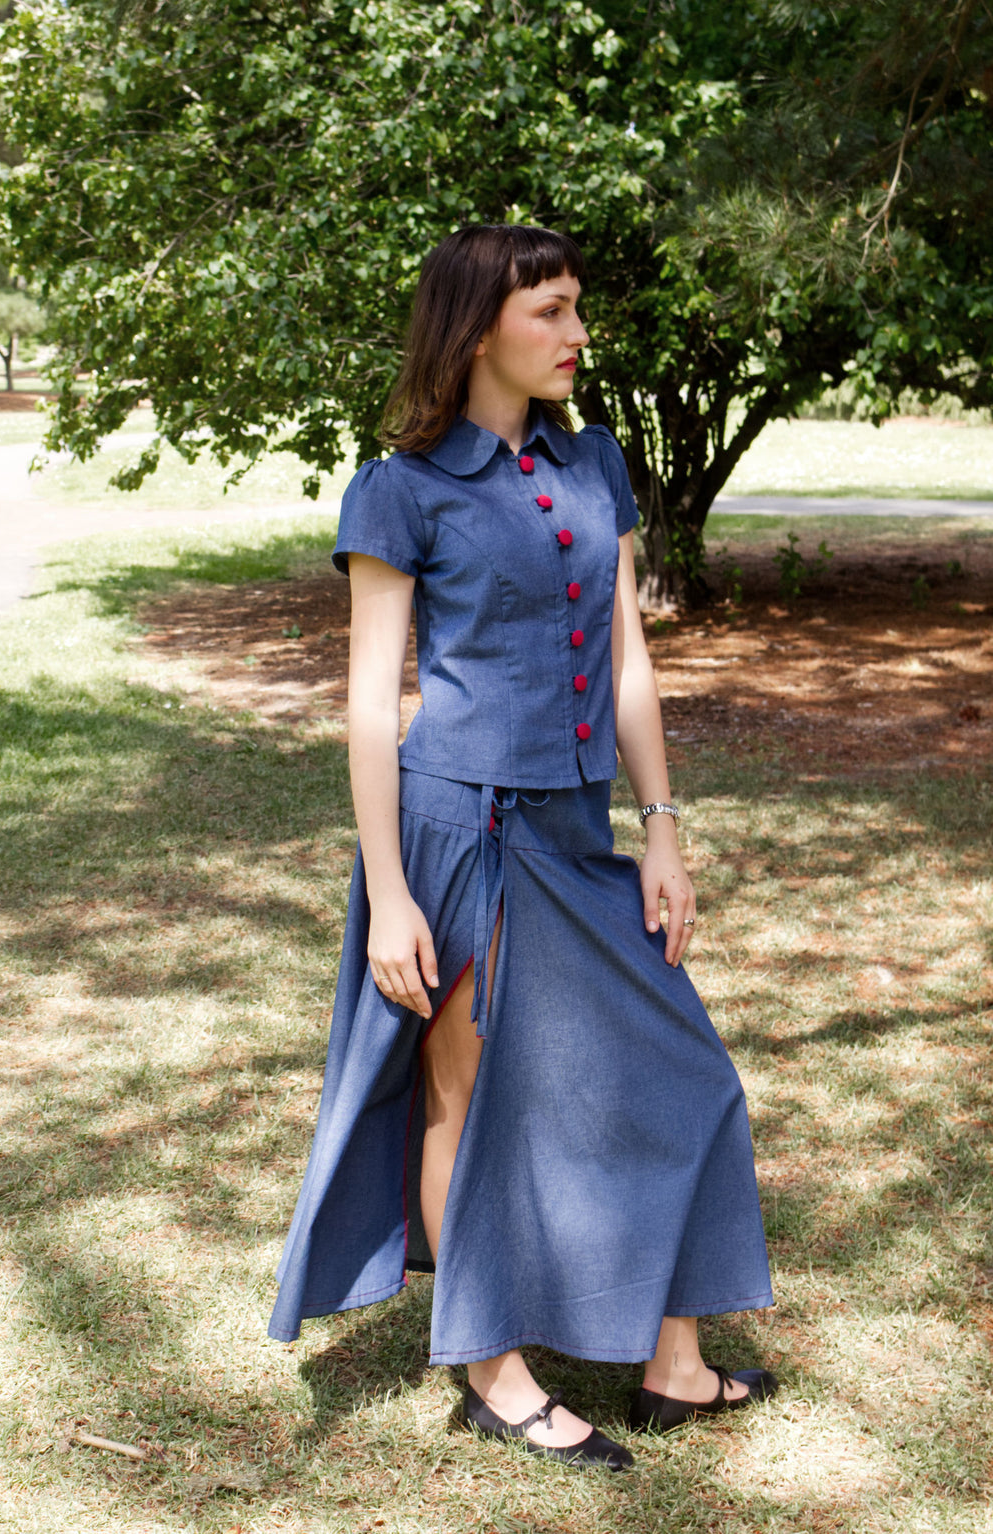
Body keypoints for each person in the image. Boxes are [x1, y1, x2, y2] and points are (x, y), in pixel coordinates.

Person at [269, 224, 776, 1470]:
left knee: (685, 1073)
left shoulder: (594, 459)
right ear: (479, 324)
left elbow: (629, 662)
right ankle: (493, 1369)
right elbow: (371, 702)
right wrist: (391, 894)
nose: (575, 333)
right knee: (471, 1101)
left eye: (575, 308)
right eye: (549, 310)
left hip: (576, 831)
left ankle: (669, 1359)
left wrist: (660, 830)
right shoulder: (400, 488)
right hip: (461, 838)